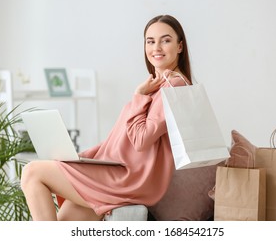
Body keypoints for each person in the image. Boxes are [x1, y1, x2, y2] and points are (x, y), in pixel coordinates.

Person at [20, 14, 193, 221]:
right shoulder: (157, 86)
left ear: (180, 46)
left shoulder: (175, 85)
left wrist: (138, 95)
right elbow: (119, 142)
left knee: (32, 172)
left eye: (165, 40)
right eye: (150, 41)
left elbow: (141, 139)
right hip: (118, 171)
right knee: (64, 221)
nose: (156, 48)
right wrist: (82, 159)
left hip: (131, 179)